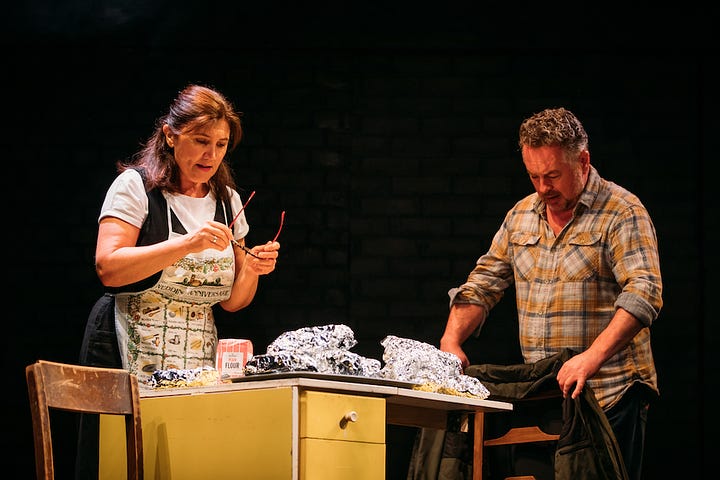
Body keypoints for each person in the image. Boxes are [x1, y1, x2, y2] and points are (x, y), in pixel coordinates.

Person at [437, 107, 663, 480]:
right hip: (546, 398)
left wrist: (590, 358)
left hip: (610, 396)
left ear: (584, 161)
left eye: (553, 175)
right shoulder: (521, 215)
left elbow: (644, 293)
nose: (543, 188)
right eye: (534, 176)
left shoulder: (621, 212)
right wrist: (451, 339)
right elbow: (484, 282)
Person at [76, 84, 280, 478]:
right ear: (170, 135)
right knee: (120, 460)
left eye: (221, 145)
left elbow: (232, 303)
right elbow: (109, 266)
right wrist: (185, 244)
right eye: (201, 141)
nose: (211, 155)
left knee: (183, 460)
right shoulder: (136, 187)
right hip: (125, 342)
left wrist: (252, 269)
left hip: (196, 352)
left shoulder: (228, 200)